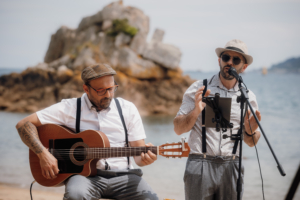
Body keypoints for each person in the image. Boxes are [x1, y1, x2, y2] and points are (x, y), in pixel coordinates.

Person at [16, 63, 158, 200]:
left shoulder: (128, 109)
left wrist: (145, 159)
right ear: (86, 89)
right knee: (75, 196)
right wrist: (43, 154)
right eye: (101, 90)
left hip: (124, 176)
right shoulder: (69, 108)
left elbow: (139, 158)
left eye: (112, 88)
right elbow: (23, 124)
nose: (108, 95)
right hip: (84, 178)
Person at [173, 39, 262, 200]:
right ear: (219, 60)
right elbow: (178, 128)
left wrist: (249, 131)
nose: (229, 62)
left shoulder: (248, 96)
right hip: (200, 163)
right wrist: (196, 111)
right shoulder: (198, 88)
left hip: (232, 165)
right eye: (226, 57)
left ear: (244, 67)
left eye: (236, 60)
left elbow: (251, 142)